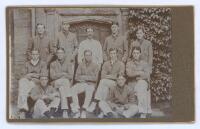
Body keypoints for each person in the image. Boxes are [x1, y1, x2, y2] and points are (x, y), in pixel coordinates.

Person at [129, 27, 153, 115]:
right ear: (136, 34)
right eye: (137, 33)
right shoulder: (133, 43)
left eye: (140, 33)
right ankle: (142, 109)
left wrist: (149, 70)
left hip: (145, 69)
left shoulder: (148, 43)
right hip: (136, 68)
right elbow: (130, 55)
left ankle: (148, 108)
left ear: (143, 34)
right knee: (140, 87)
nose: (139, 35)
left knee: (147, 89)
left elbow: (150, 57)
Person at [17, 49, 47, 119]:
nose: (34, 56)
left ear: (38, 55)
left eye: (36, 54)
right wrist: (33, 75)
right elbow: (22, 75)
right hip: (27, 82)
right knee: (22, 81)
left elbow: (43, 75)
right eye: (33, 54)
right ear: (31, 55)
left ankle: (22, 110)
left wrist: (30, 74)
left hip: (36, 83)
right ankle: (23, 108)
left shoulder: (43, 63)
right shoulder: (27, 63)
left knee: (23, 88)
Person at [71, 50, 99, 118]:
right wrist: (88, 77)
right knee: (72, 89)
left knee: (89, 90)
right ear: (84, 56)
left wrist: (84, 77)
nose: (88, 56)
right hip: (82, 83)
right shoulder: (81, 64)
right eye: (86, 55)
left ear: (91, 56)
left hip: (90, 84)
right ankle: (77, 109)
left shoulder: (95, 65)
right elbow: (76, 77)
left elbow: (95, 78)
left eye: (89, 55)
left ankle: (84, 109)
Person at [126, 46, 151, 118]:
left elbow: (147, 75)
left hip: (142, 83)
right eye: (134, 53)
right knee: (140, 85)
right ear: (132, 54)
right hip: (132, 84)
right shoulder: (129, 63)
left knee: (141, 84)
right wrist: (140, 72)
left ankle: (143, 112)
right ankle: (145, 111)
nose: (135, 54)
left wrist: (135, 73)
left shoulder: (144, 63)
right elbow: (129, 74)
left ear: (140, 54)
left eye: (137, 53)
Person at [50, 48, 74, 118]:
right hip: (55, 83)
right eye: (58, 53)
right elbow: (52, 76)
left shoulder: (68, 63)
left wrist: (59, 75)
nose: (60, 54)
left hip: (63, 85)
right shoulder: (53, 64)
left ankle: (65, 110)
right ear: (57, 54)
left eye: (61, 53)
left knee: (62, 89)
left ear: (64, 54)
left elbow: (70, 76)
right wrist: (63, 74)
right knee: (65, 81)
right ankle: (71, 103)